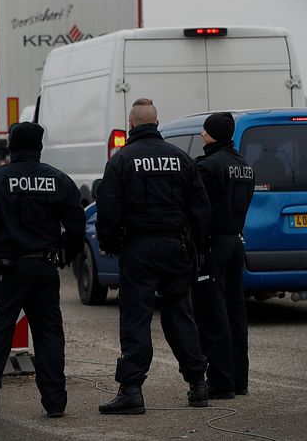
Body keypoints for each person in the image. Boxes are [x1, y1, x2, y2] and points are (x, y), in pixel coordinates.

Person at [96, 98, 212, 414]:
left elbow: (107, 209)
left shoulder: (121, 160)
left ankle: (132, 390)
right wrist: (195, 245)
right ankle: (198, 384)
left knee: (136, 319)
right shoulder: (180, 159)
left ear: (131, 125)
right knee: (180, 316)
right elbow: (200, 207)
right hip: (176, 248)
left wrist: (111, 243)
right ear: (157, 124)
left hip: (139, 250)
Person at [0, 121, 86, 421]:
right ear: (40, 147)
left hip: (7, 270)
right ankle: (55, 401)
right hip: (44, 267)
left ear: (11, 148)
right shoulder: (58, 180)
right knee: (48, 334)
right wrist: (64, 257)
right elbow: (76, 226)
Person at [192, 112, 254, 398]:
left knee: (212, 314)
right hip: (234, 243)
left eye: (204, 131)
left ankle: (221, 382)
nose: (202, 135)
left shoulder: (208, 166)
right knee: (235, 314)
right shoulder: (244, 165)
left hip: (213, 245)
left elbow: (199, 209)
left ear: (211, 134)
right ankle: (239, 380)